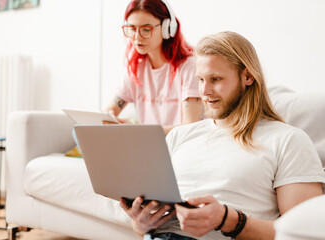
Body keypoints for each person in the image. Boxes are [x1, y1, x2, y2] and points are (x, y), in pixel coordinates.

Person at [119, 31, 325, 240]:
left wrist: (227, 220)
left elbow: (306, 234)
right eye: (200, 80)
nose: (204, 91)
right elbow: (143, 225)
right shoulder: (180, 136)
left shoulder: (288, 140)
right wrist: (142, 223)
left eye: (215, 79)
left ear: (248, 76)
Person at [104, 0, 203, 134]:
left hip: (181, 150)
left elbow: (190, 127)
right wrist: (109, 120)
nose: (137, 37)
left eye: (146, 29)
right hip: (150, 148)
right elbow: (107, 113)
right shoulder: (136, 69)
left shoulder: (189, 67)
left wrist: (139, 132)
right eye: (132, 29)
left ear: (167, 28)